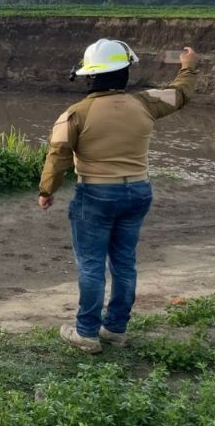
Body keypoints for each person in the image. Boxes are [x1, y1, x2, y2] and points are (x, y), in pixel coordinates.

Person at [38, 39, 197, 353]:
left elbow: (57, 156)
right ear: (125, 72)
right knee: (124, 264)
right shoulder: (145, 103)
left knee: (92, 266)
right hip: (138, 192)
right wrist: (188, 66)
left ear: (89, 76)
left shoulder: (74, 114)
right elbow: (179, 93)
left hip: (95, 196)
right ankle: (115, 329)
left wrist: (47, 191)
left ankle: (86, 332)